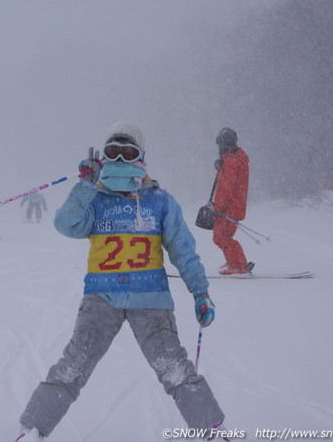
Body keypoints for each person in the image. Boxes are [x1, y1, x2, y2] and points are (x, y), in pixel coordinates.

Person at [14, 122, 228, 441]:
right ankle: (32, 429)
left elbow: (183, 250)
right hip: (102, 297)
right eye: (113, 152)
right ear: (103, 158)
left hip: (150, 298)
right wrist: (85, 185)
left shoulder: (160, 200)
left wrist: (201, 292)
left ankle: (211, 429)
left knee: (172, 365)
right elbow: (65, 224)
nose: (120, 160)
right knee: (75, 363)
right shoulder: (97, 198)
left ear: (141, 157)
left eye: (128, 152)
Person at [212, 127, 251, 275]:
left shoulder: (232, 161)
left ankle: (238, 265)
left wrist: (218, 207)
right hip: (234, 205)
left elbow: (226, 188)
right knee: (221, 236)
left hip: (229, 207)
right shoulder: (234, 158)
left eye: (220, 143)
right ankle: (233, 262)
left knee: (222, 237)